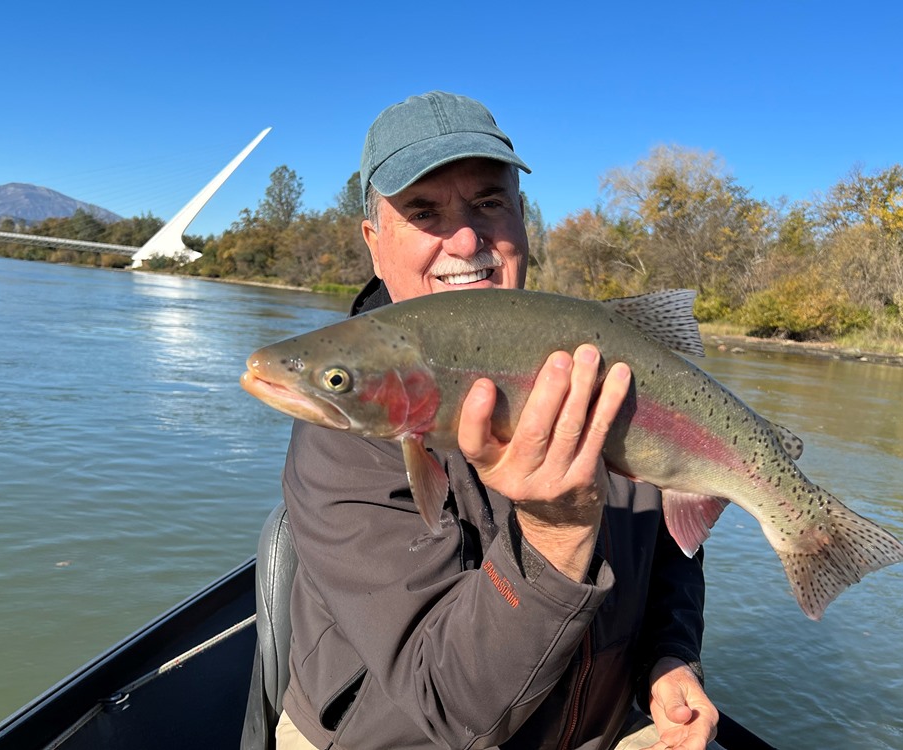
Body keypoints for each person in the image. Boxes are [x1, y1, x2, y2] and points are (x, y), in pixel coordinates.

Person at [277, 91, 720, 750]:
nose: (463, 239)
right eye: (423, 211)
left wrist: (671, 659)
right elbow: (447, 704)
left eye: (489, 203)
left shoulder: (596, 364)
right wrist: (555, 533)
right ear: (374, 242)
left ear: (522, 221)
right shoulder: (345, 431)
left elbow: (668, 547)